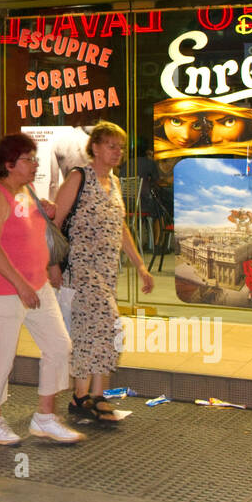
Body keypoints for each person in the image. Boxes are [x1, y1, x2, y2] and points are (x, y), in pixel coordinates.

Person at [0, 133, 82, 445]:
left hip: (37, 285)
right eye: (28, 159)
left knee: (59, 347)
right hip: (7, 290)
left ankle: (45, 417)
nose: (35, 164)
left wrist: (51, 266)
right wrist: (20, 285)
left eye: (35, 158)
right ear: (9, 164)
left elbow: (40, 234)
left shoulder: (28, 191)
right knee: (2, 355)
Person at [53, 121, 153, 423]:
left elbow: (119, 226)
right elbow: (54, 222)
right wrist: (52, 267)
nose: (117, 152)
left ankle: (85, 397)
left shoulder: (115, 183)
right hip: (81, 272)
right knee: (107, 329)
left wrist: (139, 264)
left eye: (120, 148)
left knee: (95, 333)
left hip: (107, 272)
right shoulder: (78, 178)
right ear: (95, 147)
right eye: (111, 146)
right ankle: (91, 396)